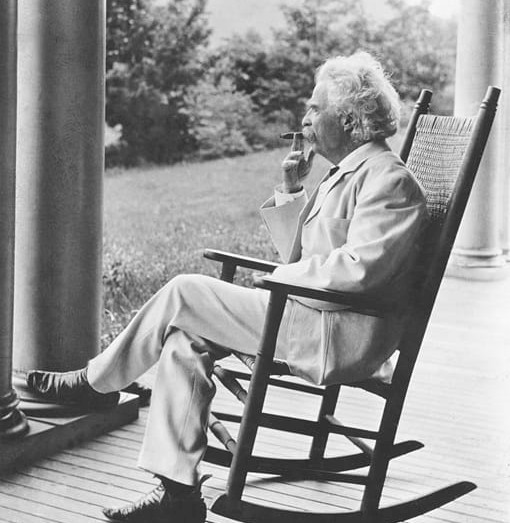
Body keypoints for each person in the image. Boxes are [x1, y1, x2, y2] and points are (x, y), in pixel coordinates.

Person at [26, 51, 429, 523]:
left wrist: (279, 280)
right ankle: (178, 494)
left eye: (315, 108)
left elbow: (360, 272)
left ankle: (96, 384)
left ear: (349, 120)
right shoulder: (345, 174)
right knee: (183, 338)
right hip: (310, 316)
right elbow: (300, 258)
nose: (304, 118)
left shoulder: (390, 181)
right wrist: (291, 190)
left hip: (336, 335)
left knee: (184, 292)